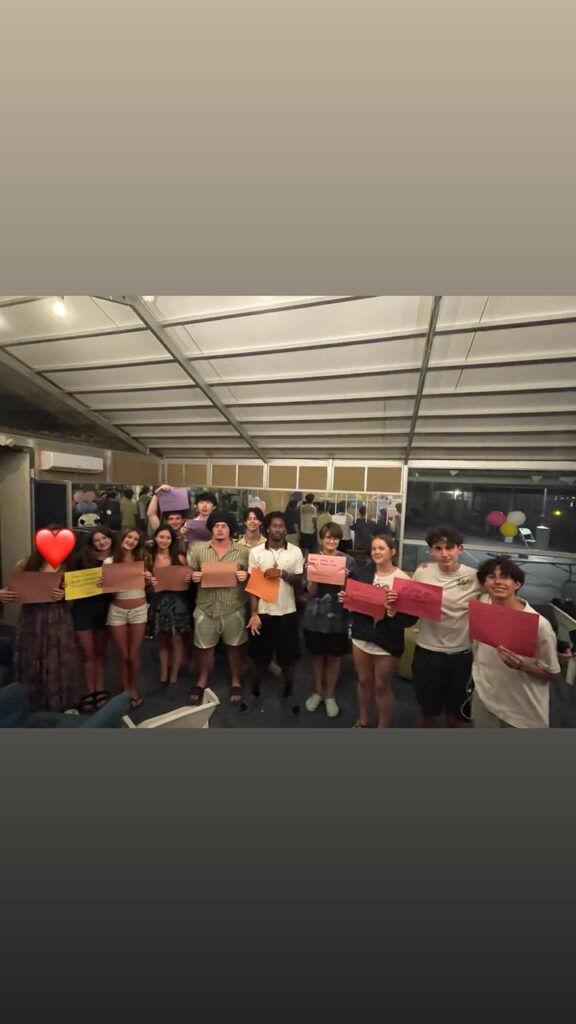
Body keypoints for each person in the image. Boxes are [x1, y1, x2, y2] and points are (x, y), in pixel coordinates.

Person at [471, 556, 561, 728]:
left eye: (505, 577)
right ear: (485, 583)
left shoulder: (539, 624)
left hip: (521, 710)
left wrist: (522, 666)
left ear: (517, 584)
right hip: (484, 698)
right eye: (491, 577)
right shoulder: (482, 606)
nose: (498, 582)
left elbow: (554, 674)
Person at [1, 528, 83, 713]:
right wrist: (1, 595)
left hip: (58, 616)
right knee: (32, 656)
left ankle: (60, 703)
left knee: (58, 657)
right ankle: (30, 703)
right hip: (32, 618)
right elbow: (11, 589)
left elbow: (76, 595)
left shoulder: (69, 566)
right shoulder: (26, 564)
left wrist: (65, 595)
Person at [341, 533, 416, 728]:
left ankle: (383, 726)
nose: (376, 552)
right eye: (374, 548)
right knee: (364, 680)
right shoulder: (362, 573)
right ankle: (363, 719)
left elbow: (411, 619)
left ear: (393, 551)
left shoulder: (402, 579)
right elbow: (353, 604)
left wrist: (394, 613)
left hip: (387, 640)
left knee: (382, 686)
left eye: (381, 548)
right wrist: (346, 600)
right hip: (362, 636)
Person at [411, 525, 481, 727]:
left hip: (461, 654)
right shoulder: (422, 572)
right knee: (427, 711)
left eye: (450, 548)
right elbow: (411, 603)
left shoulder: (475, 577)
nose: (444, 554)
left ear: (460, 548)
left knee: (456, 715)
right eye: (438, 548)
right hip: (428, 651)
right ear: (431, 551)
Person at [186, 511, 249, 704]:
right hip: (206, 606)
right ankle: (202, 679)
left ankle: (236, 680)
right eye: (216, 526)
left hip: (233, 606)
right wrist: (193, 576)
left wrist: (246, 575)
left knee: (234, 647)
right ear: (211, 528)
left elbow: (253, 575)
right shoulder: (198, 549)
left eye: (224, 526)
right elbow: (187, 572)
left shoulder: (243, 551)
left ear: (230, 529)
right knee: (204, 647)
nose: (220, 529)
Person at [247, 512, 304, 711]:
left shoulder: (295, 552)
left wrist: (283, 574)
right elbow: (252, 586)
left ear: (286, 529)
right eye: (274, 526)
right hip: (263, 613)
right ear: (267, 528)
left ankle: (288, 692)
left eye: (281, 526)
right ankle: (255, 690)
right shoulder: (256, 552)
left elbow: (300, 581)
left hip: (288, 612)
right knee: (258, 658)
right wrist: (254, 613)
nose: (278, 529)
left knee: (289, 659)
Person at [303, 522, 355, 719]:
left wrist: (344, 581)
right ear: (321, 539)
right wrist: (312, 577)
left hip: (337, 616)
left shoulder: (348, 561)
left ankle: (330, 694)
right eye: (328, 537)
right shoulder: (312, 558)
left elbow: (350, 593)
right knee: (317, 656)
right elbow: (310, 592)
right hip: (315, 615)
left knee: (334, 657)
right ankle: (317, 691)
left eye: (336, 538)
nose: (332, 541)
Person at [71, 526, 116, 711]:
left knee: (100, 652)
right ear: (91, 543)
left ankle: (100, 688)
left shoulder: (117, 559)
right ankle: (89, 691)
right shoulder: (81, 558)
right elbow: (70, 581)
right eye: (97, 540)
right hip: (83, 607)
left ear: (111, 538)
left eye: (104, 538)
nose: (101, 542)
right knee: (87, 652)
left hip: (105, 608)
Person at [145, 525, 192, 686]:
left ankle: (174, 673)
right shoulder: (149, 558)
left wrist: (188, 578)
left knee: (176, 639)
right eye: (161, 537)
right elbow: (144, 584)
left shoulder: (179, 558)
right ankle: (164, 672)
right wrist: (149, 582)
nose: (164, 540)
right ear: (155, 537)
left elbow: (188, 579)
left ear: (172, 540)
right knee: (161, 639)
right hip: (158, 601)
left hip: (177, 601)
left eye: (168, 538)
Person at [106, 528, 147, 708]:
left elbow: (148, 586)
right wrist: (109, 584)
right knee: (123, 654)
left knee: (134, 654)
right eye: (129, 537)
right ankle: (125, 690)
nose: (132, 541)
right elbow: (109, 593)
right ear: (122, 537)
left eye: (136, 539)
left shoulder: (141, 560)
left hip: (139, 610)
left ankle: (134, 687)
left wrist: (148, 579)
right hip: (117, 610)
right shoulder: (109, 561)